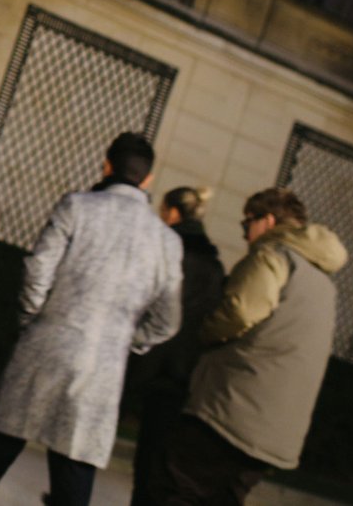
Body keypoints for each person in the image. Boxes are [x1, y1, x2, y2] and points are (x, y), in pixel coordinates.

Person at [0, 133, 183, 506]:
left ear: (107, 164)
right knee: (75, 463)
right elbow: (167, 320)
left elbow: (39, 267)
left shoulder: (78, 206)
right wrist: (126, 340)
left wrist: (35, 317)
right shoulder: (167, 241)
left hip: (47, 340)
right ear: (148, 179)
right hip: (103, 364)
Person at [153, 188, 347, 505]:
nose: (245, 235)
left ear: (267, 220)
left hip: (231, 409)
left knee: (177, 486)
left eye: (247, 225)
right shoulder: (324, 283)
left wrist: (204, 332)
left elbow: (241, 312)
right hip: (278, 429)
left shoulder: (272, 255)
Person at [125, 187, 225, 506]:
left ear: (172, 213)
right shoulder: (214, 266)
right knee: (157, 455)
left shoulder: (167, 251)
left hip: (148, 360)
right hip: (183, 372)